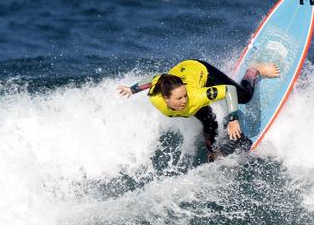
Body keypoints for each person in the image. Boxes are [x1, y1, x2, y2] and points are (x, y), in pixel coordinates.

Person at [117, 60, 279, 160]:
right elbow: (155, 78)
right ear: (166, 99)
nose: (184, 100)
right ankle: (214, 154)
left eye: (184, 96)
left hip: (200, 70)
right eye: (179, 99)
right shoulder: (156, 98)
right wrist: (132, 89)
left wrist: (233, 119)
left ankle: (254, 69)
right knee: (207, 120)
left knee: (243, 97)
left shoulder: (194, 96)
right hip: (178, 77)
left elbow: (228, 90)